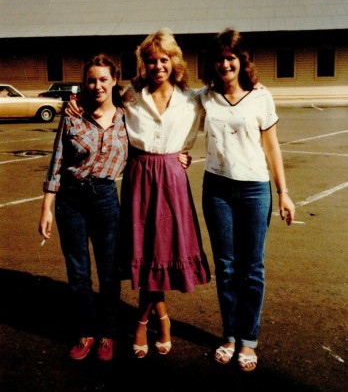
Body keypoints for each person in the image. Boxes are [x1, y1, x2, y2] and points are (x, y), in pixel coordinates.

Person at [66, 28, 211, 360]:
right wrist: (72, 102)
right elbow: (98, 98)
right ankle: (159, 317)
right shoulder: (131, 94)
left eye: (164, 59)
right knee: (144, 255)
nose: (158, 65)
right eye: (151, 60)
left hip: (172, 179)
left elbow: (226, 97)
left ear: (174, 61)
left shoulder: (192, 98)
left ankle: (145, 320)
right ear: (143, 63)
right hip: (139, 178)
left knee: (161, 253)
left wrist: (186, 155)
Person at [199, 28, 295, 372]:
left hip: (255, 189)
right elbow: (171, 112)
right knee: (225, 267)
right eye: (220, 58)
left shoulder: (260, 97)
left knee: (251, 268)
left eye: (231, 57)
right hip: (217, 189)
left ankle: (248, 341)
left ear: (242, 60)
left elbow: (272, 147)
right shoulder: (205, 97)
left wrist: (283, 193)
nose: (225, 64)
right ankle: (229, 335)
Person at [39, 54, 128, 362]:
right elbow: (58, 161)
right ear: (84, 82)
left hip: (105, 197)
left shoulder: (127, 118)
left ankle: (108, 334)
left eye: (104, 79)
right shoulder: (72, 116)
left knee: (108, 272)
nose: (97, 85)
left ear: (115, 80)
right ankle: (86, 332)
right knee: (78, 272)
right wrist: (47, 207)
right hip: (71, 199)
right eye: (91, 79)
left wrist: (180, 156)